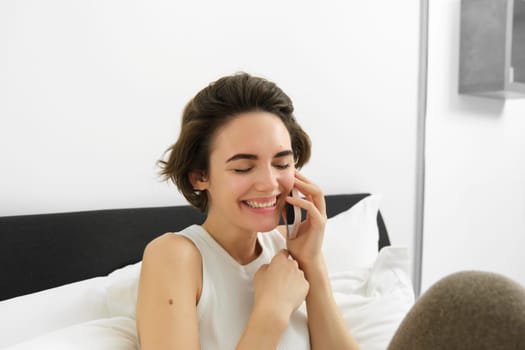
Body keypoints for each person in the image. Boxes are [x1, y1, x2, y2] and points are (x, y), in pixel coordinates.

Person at [136, 72, 360, 349]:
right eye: (243, 167)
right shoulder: (175, 256)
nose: (269, 183)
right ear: (199, 176)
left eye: (281, 164)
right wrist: (272, 311)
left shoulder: (289, 248)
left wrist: (312, 263)